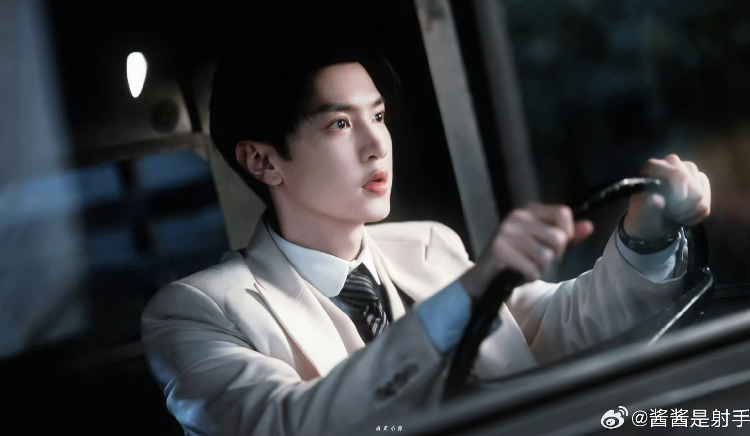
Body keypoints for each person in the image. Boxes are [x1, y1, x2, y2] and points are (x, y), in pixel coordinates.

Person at [141, 45, 711, 436]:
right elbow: (289, 426)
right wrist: (467, 296)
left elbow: (563, 325)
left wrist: (647, 237)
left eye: (378, 116)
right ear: (263, 161)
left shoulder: (428, 247)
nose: (376, 145)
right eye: (340, 124)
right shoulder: (197, 311)